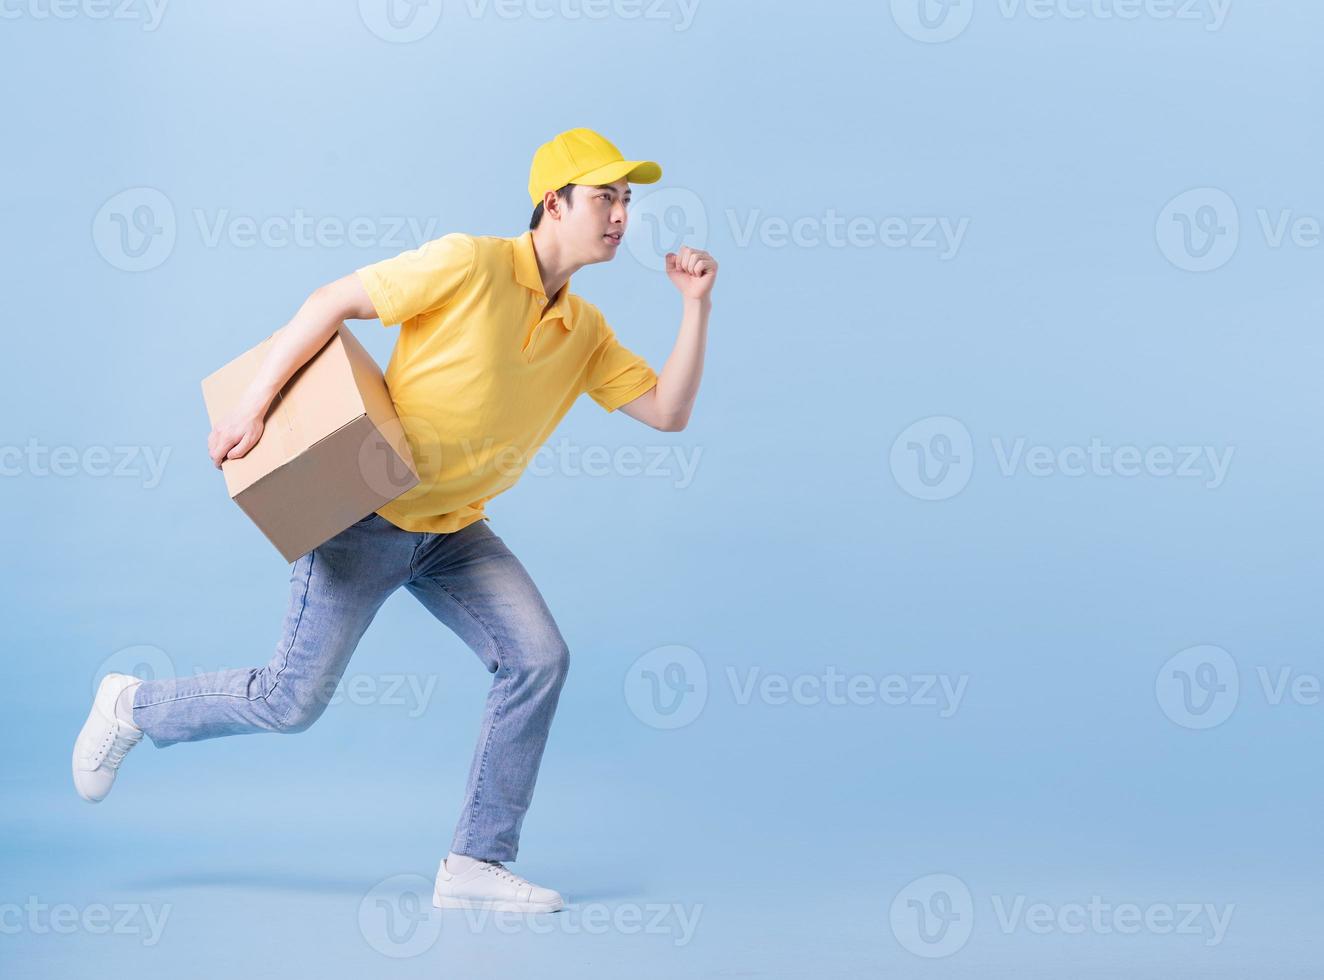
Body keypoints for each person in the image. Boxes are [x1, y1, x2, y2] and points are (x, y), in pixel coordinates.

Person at [71, 127, 717, 913]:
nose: (621, 215)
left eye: (627, 200)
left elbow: (668, 412)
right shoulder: (471, 262)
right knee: (290, 702)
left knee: (538, 659)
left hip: (454, 531)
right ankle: (130, 705)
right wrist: (252, 407)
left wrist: (695, 307)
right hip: (364, 518)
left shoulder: (583, 332)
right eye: (605, 197)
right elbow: (332, 302)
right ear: (554, 202)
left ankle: (475, 861)